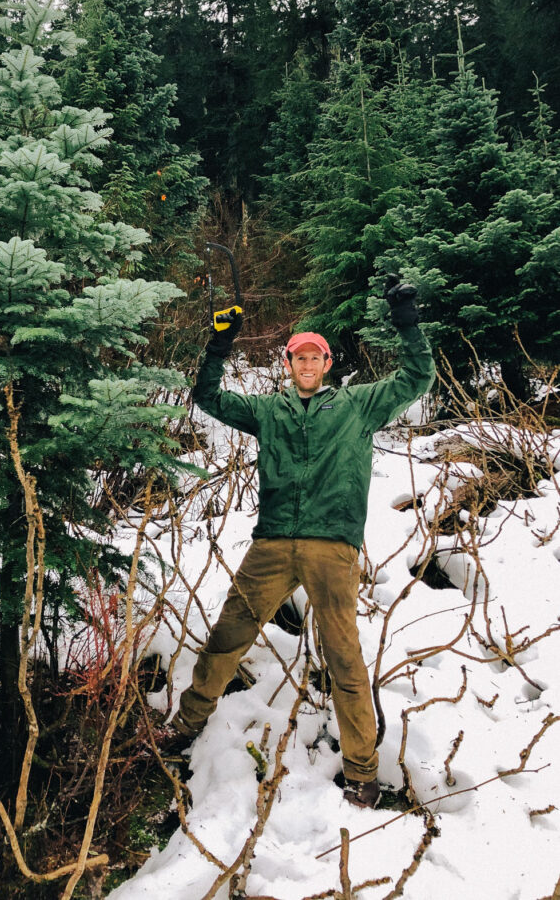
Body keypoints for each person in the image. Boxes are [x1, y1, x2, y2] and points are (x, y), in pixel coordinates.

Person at [164, 278, 436, 809]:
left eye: (315, 358)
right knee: (227, 635)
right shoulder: (270, 412)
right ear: (287, 365)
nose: (306, 365)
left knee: (344, 660)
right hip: (271, 546)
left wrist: (406, 320)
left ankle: (361, 773)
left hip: (332, 548)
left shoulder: (358, 406)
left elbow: (417, 376)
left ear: (328, 364)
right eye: (298, 358)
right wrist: (220, 344)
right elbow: (209, 398)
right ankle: (185, 725)